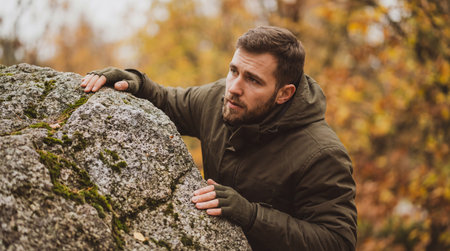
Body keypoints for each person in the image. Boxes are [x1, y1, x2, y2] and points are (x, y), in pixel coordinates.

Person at [81, 26, 357, 250]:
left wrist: (251, 216)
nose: (234, 88)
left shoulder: (322, 154)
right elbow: (168, 101)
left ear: (284, 93)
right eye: (234, 70)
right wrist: (134, 81)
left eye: (253, 80)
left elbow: (337, 241)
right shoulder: (220, 98)